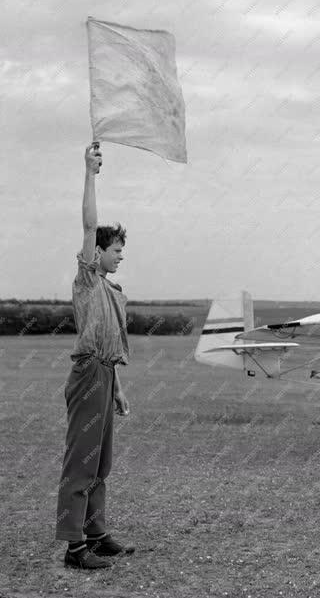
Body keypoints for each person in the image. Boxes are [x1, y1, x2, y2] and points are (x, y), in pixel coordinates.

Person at [55, 144, 134, 569]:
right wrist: (89, 172)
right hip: (87, 375)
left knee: (99, 460)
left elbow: (112, 348)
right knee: (80, 460)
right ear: (97, 252)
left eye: (122, 248)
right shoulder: (88, 279)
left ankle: (97, 533)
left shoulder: (114, 293)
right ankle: (73, 548)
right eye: (116, 248)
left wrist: (118, 388)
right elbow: (88, 222)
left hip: (104, 376)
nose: (121, 254)